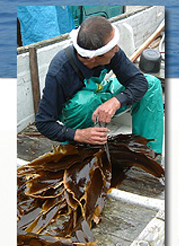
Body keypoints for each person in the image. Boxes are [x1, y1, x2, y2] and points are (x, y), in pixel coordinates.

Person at [35, 16, 164, 154]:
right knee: (83, 102)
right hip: (79, 113)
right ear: (93, 58)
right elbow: (44, 122)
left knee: (151, 84)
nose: (117, 49)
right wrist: (78, 134)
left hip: (102, 92)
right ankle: (78, 147)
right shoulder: (59, 72)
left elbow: (139, 82)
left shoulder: (112, 52)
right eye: (113, 47)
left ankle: (148, 153)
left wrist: (116, 101)